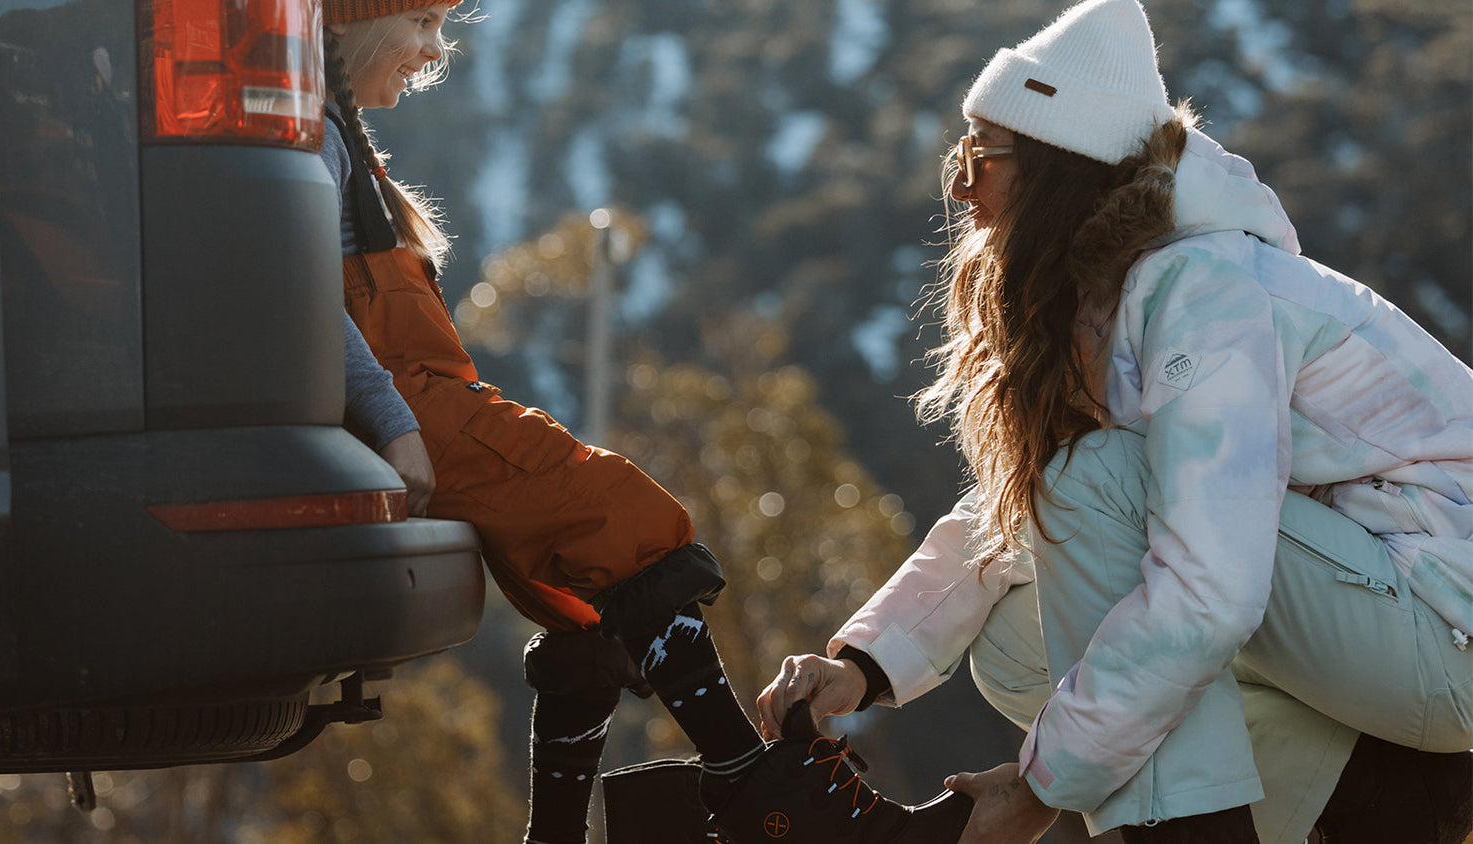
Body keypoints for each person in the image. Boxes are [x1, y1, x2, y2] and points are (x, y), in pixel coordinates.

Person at [757, 0, 1473, 842]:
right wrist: (861, 667)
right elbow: (1013, 523)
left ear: (1060, 171)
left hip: (1447, 633)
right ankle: (1369, 792)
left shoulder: (1201, 291)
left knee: (1092, 489)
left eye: (980, 157)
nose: (958, 185)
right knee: (1021, 646)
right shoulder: (1116, 301)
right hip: (1389, 625)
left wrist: (1040, 786)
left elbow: (1206, 587)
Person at [317, 2, 969, 842]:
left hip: (421, 402)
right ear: (353, 22)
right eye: (423, 23)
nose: (434, 53)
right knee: (622, 517)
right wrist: (389, 417)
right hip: (412, 407)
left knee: (589, 610)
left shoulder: (337, 136)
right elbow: (292, 293)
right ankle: (758, 789)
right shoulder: (320, 141)